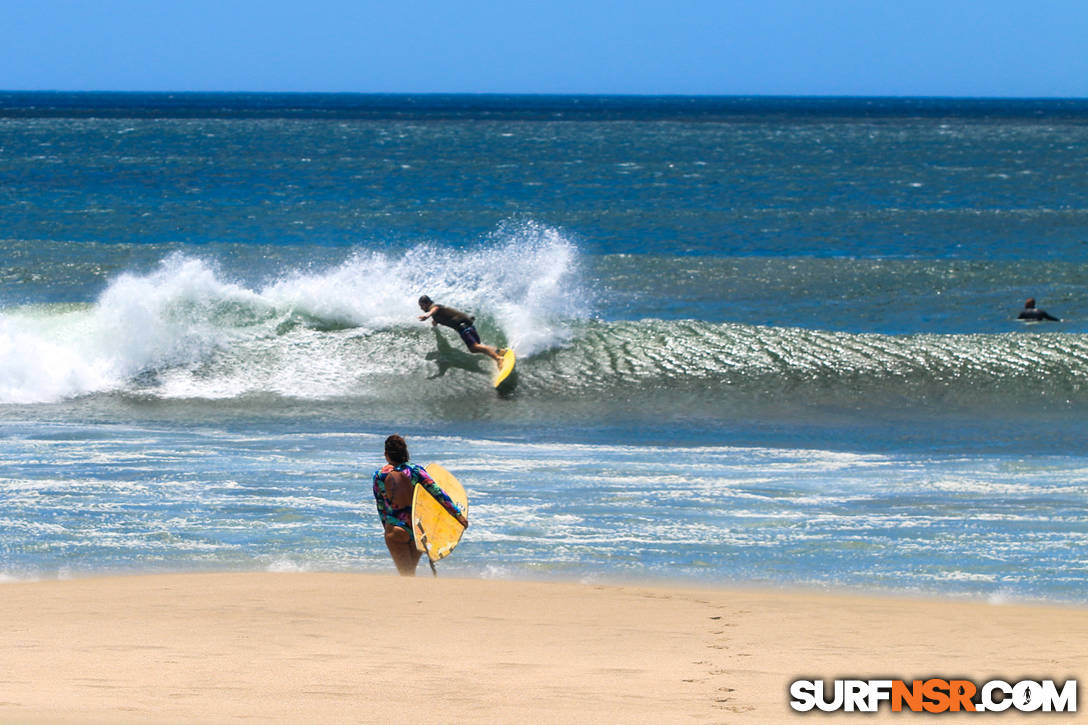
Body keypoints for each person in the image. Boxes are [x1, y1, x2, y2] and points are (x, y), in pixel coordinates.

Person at [372, 434, 467, 576]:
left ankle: (408, 597)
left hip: (395, 529)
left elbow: (381, 507)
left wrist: (388, 529)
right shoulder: (416, 471)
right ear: (405, 453)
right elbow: (438, 493)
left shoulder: (379, 476)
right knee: (410, 572)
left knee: (405, 574)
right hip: (417, 530)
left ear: (386, 455)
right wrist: (458, 515)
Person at [418, 295, 506, 369]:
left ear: (426, 303)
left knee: (474, 347)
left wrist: (427, 315)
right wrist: (435, 323)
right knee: (476, 347)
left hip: (463, 327)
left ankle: (498, 358)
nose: (421, 308)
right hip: (467, 325)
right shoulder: (436, 314)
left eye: (421, 305)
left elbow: (435, 309)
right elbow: (439, 316)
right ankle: (498, 351)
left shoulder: (433, 307)